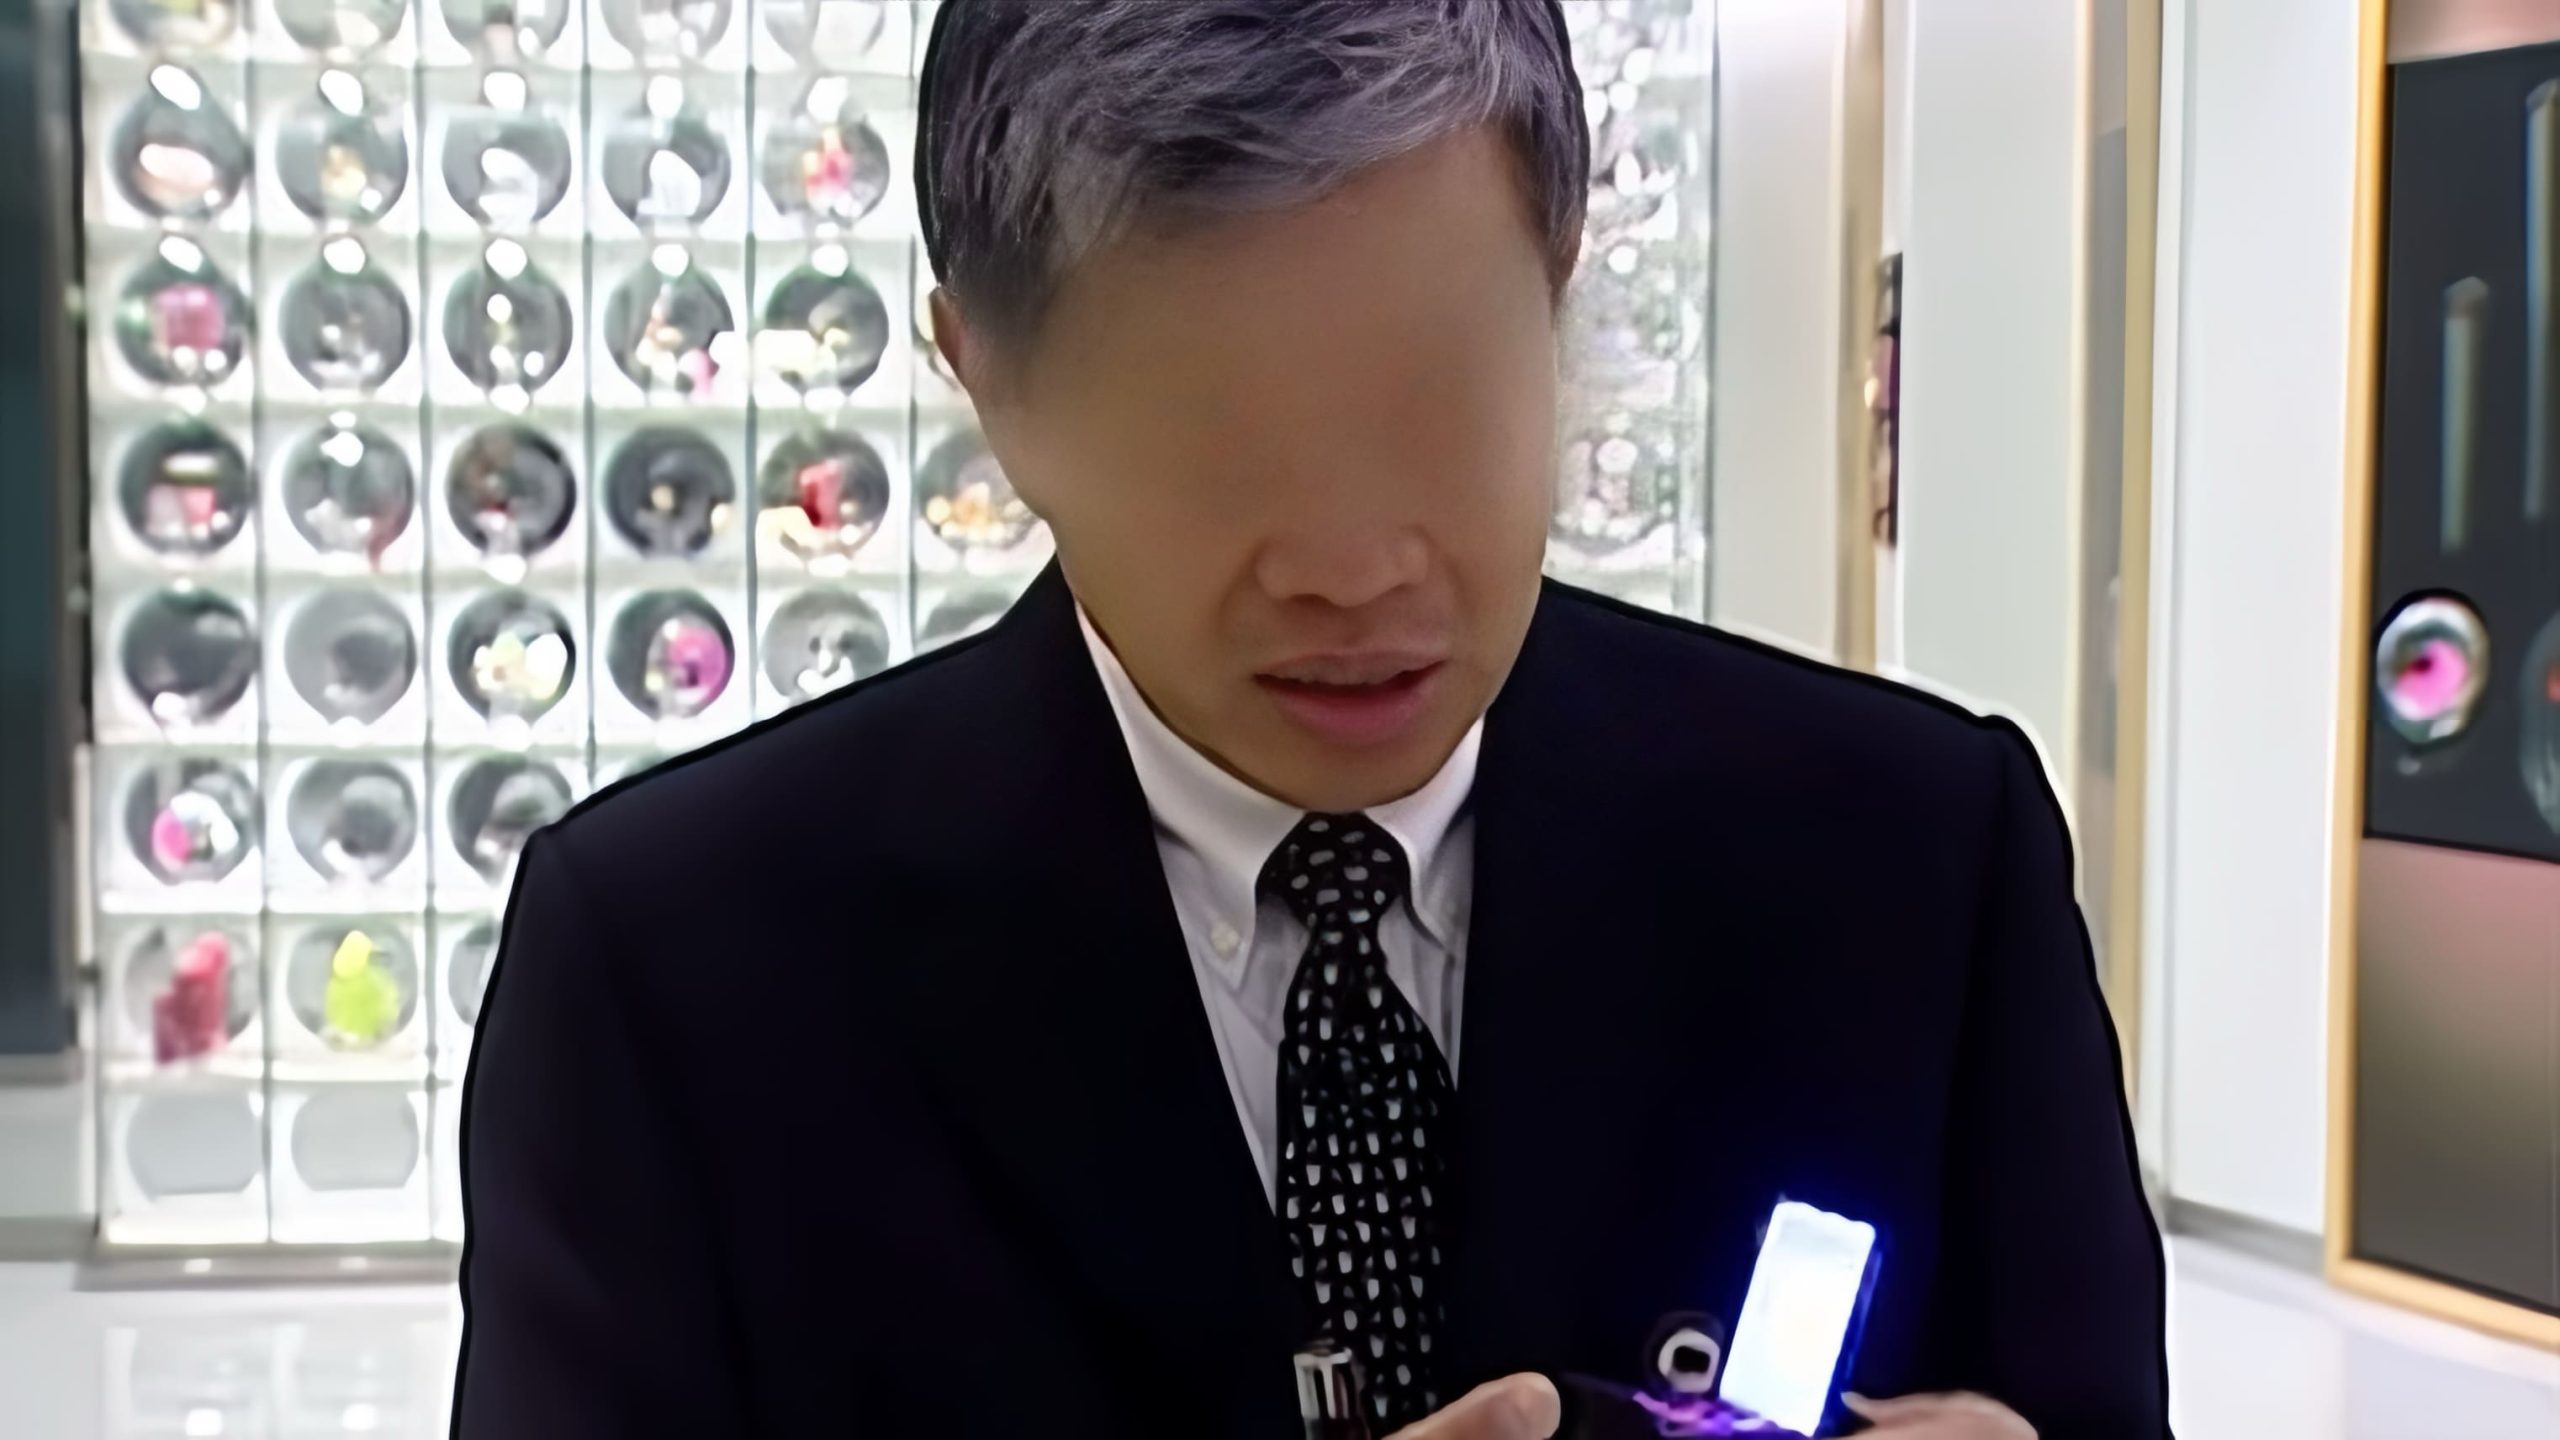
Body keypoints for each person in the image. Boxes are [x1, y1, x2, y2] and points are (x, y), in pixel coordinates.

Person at [449, 3, 2168, 1437]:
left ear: (1560, 286)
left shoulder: (1912, 866)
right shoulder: (681, 973)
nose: (1353, 569)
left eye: (1438, 399)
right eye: (1222, 441)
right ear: (990, 386)